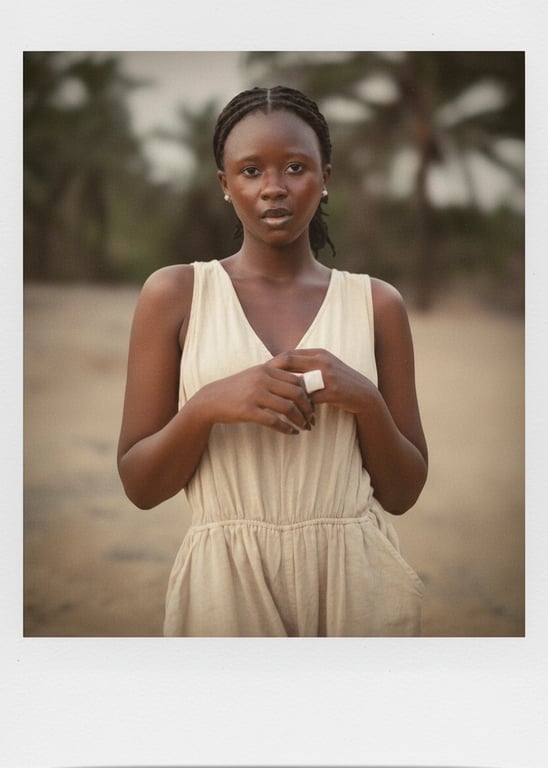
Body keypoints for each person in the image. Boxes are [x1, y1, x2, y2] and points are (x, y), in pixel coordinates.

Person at [117, 86, 428, 637]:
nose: (274, 188)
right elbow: (140, 487)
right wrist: (208, 406)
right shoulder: (177, 294)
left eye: (295, 166)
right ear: (224, 185)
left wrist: (365, 399)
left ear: (325, 176)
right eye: (251, 171)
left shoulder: (377, 304)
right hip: (225, 584)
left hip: (355, 583)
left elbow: (403, 494)